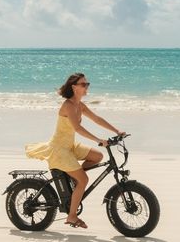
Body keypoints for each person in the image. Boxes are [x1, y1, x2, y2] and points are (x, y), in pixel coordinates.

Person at [25, 73, 125, 229]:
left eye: (87, 84)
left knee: (97, 156)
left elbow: (97, 119)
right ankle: (72, 216)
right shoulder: (68, 105)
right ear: (74, 87)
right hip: (59, 149)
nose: (86, 87)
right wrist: (99, 140)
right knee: (84, 180)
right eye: (83, 84)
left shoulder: (80, 105)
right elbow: (77, 128)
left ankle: (73, 179)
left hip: (70, 146)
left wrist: (117, 130)